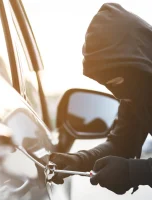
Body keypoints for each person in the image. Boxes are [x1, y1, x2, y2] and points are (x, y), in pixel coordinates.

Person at [49, 3, 152, 195]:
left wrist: (134, 172)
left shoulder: (136, 84)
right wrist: (79, 160)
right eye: (106, 84)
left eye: (116, 80)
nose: (117, 93)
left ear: (138, 61)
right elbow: (122, 144)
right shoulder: (135, 92)